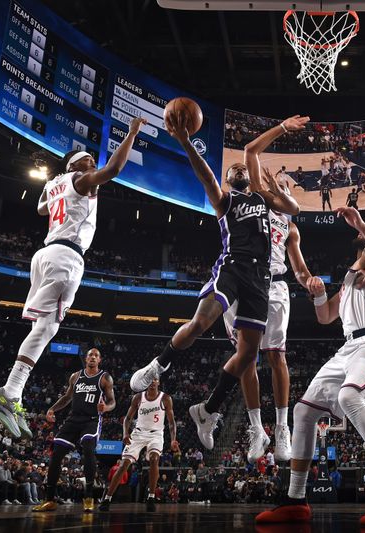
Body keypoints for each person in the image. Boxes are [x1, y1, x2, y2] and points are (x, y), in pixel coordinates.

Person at [130, 115, 305, 451]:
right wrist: (184, 141)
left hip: (261, 279)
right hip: (232, 267)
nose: (239, 171)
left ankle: (210, 411)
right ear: (229, 181)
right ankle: (157, 365)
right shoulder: (225, 201)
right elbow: (207, 176)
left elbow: (293, 206)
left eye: (243, 170)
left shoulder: (264, 199)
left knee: (249, 354)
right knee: (200, 321)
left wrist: (274, 185)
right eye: (233, 172)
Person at [255, 207, 365, 527]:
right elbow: (325, 317)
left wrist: (362, 223)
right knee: (303, 412)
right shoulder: (350, 274)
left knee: (349, 398)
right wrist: (318, 295)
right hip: (349, 346)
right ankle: (295, 498)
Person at [0, 117, 146, 440]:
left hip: (45, 255)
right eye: (88, 161)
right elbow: (113, 170)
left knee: (41, 326)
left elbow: (42, 209)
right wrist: (131, 134)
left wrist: (54, 185)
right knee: (48, 326)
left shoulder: (56, 184)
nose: (94, 164)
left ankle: (12, 391)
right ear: (78, 166)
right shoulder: (81, 180)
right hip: (65, 257)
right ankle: (10, 391)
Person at [223, 175, 318, 463]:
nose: (281, 189)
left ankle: (281, 428)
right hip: (245, 279)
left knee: (277, 357)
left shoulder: (290, 226)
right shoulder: (254, 206)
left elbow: (299, 268)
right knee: (246, 357)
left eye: (285, 187)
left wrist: (309, 280)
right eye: (276, 184)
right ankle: (255, 429)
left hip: (275, 285)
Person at [33, 348, 115, 512]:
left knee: (88, 448)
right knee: (56, 455)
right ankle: (50, 499)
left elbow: (113, 402)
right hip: (73, 419)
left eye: (96, 355)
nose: (92, 357)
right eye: (90, 355)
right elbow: (67, 397)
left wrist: (106, 407)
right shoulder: (76, 376)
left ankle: (89, 496)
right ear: (86, 359)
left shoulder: (104, 378)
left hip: (91, 420)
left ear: (100, 360)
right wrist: (52, 409)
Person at [99, 377, 177, 512]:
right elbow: (128, 418)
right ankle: (107, 498)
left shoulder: (165, 398)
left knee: (154, 459)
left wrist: (173, 439)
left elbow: (171, 422)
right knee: (123, 465)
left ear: (159, 382)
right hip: (138, 433)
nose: (152, 382)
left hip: (156, 434)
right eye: (150, 380)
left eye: (155, 380)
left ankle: (151, 497)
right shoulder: (138, 397)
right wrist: (125, 433)